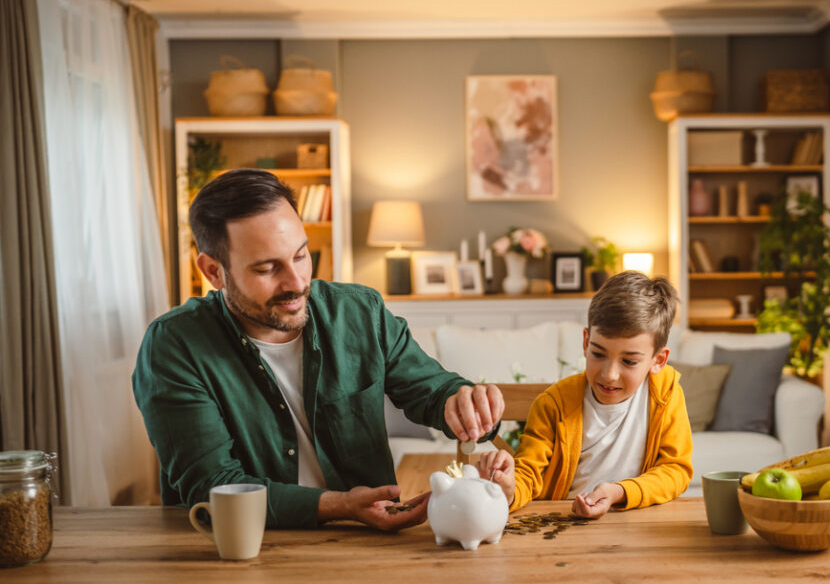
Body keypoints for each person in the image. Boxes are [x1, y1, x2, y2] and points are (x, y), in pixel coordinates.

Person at [132, 169, 503, 530]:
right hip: (240, 553)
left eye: (300, 255)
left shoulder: (359, 313)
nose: (296, 282)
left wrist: (464, 402)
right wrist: (339, 506)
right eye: (266, 269)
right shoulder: (174, 346)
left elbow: (433, 391)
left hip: (365, 546)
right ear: (213, 271)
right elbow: (214, 487)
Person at [477, 271, 693, 518]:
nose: (609, 374)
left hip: (637, 522)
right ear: (586, 342)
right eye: (598, 354)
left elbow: (675, 469)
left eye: (629, 361)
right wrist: (509, 488)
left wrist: (620, 492)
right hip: (565, 524)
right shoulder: (553, 404)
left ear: (658, 360)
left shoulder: (667, 393)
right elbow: (528, 475)